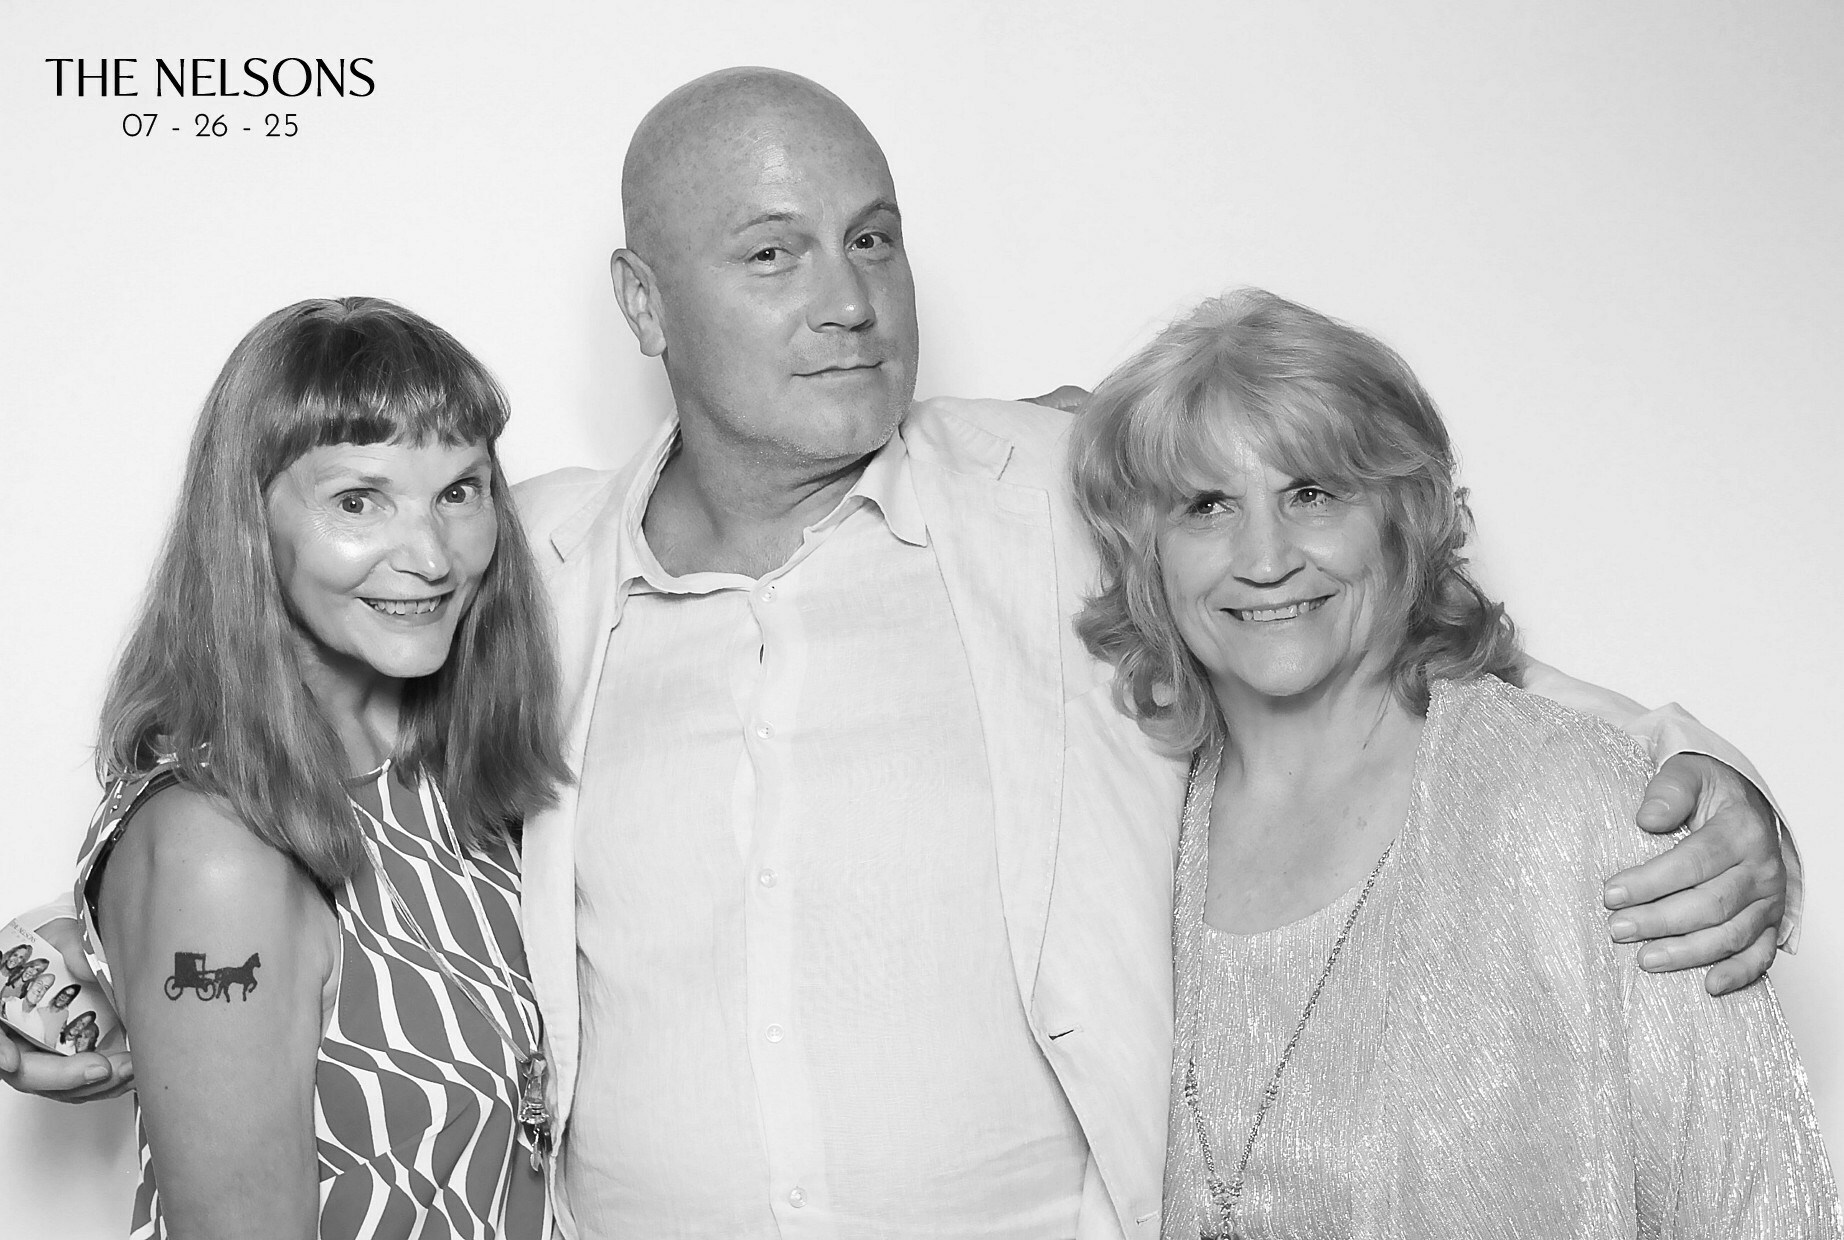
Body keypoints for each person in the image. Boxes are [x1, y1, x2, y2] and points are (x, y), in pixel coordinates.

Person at [0, 67, 1802, 1238]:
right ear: (642, 303)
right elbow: (281, 726)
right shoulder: (516, 560)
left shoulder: (1063, 490)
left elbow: (1344, 607)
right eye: (772, 254)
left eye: (872, 239)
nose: (849, 300)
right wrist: (94, 947)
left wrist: (1687, 767)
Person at [1068, 288, 1838, 1235]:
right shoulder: (1136, 825)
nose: (1264, 558)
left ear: (1403, 515)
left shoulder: (1582, 809)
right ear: (1147, 556)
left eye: (1312, 494)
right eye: (1207, 505)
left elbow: (1762, 1206)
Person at [70, 298, 568, 1239]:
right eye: (357, 501)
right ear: (249, 524)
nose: (430, 558)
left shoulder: (452, 770)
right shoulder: (219, 848)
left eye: (459, 492)